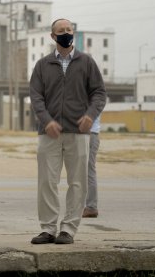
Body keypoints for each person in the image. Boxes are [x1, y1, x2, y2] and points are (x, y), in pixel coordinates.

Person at [29, 18, 106, 245]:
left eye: (69, 30)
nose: (65, 33)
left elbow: (99, 93)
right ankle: (48, 228)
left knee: (77, 182)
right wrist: (47, 120)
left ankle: (68, 229)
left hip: (79, 133)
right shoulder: (42, 65)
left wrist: (90, 116)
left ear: (74, 33)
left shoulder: (87, 62)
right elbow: (36, 96)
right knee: (47, 181)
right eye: (60, 31)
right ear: (53, 36)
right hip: (48, 133)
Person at [82, 116, 101, 218]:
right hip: (92, 134)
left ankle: (91, 207)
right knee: (87, 171)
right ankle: (89, 206)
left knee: (88, 172)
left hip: (88, 134)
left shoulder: (92, 100)